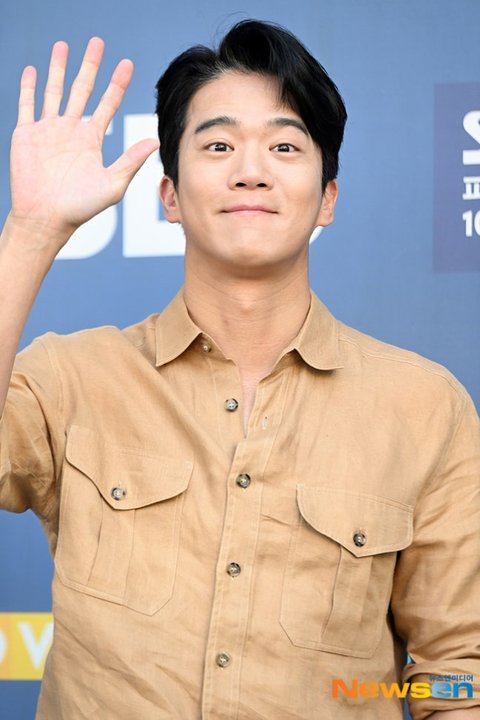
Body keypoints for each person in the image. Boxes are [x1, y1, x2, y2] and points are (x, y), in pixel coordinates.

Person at [0, 19, 479, 720]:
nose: (250, 170)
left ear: (328, 197)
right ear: (169, 195)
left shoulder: (424, 406)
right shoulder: (71, 378)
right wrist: (32, 231)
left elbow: (456, 672)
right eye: (219, 145)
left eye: (284, 146)